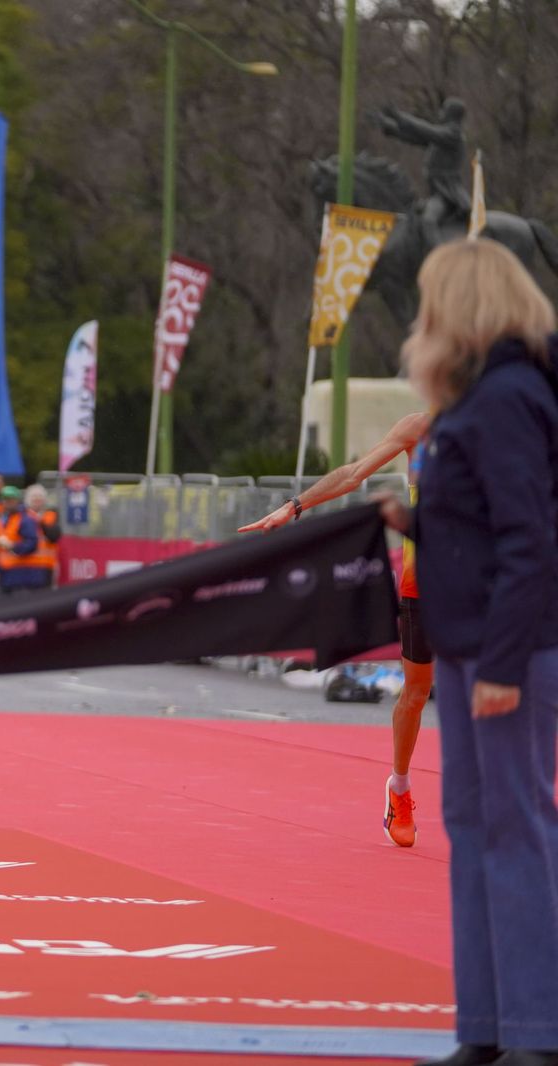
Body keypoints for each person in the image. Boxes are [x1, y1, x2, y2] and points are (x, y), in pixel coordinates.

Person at [384, 239, 558, 1066]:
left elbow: (530, 539)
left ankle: (536, 1029)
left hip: (506, 647)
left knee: (514, 822)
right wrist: (409, 521)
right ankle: (484, 1027)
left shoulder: (511, 396)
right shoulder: (474, 399)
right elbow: (477, 524)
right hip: (466, 643)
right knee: (470, 822)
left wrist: (502, 663)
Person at [240, 411, 435, 848]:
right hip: (423, 587)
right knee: (417, 691)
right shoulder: (418, 429)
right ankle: (399, 787)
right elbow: (353, 475)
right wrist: (294, 507)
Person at [376, 98, 470, 248]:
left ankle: (438, 253)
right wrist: (389, 126)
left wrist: (399, 116)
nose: (440, 113)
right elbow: (416, 137)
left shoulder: (453, 134)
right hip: (435, 192)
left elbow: (426, 130)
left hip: (445, 195)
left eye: (444, 110)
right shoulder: (443, 136)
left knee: (428, 220)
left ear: (451, 113)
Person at [0, 487, 47, 595]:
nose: (7, 502)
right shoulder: (4, 519)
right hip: (8, 574)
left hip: (25, 575)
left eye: (10, 499)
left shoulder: (26, 519)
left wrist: (12, 546)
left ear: (17, 501)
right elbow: (0, 552)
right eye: (4, 499)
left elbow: (32, 544)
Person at [20, 484, 62, 590]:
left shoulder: (50, 515)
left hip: (46, 565)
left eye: (40, 497)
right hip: (25, 564)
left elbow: (54, 536)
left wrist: (41, 522)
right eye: (34, 497)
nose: (37, 500)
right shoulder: (21, 516)